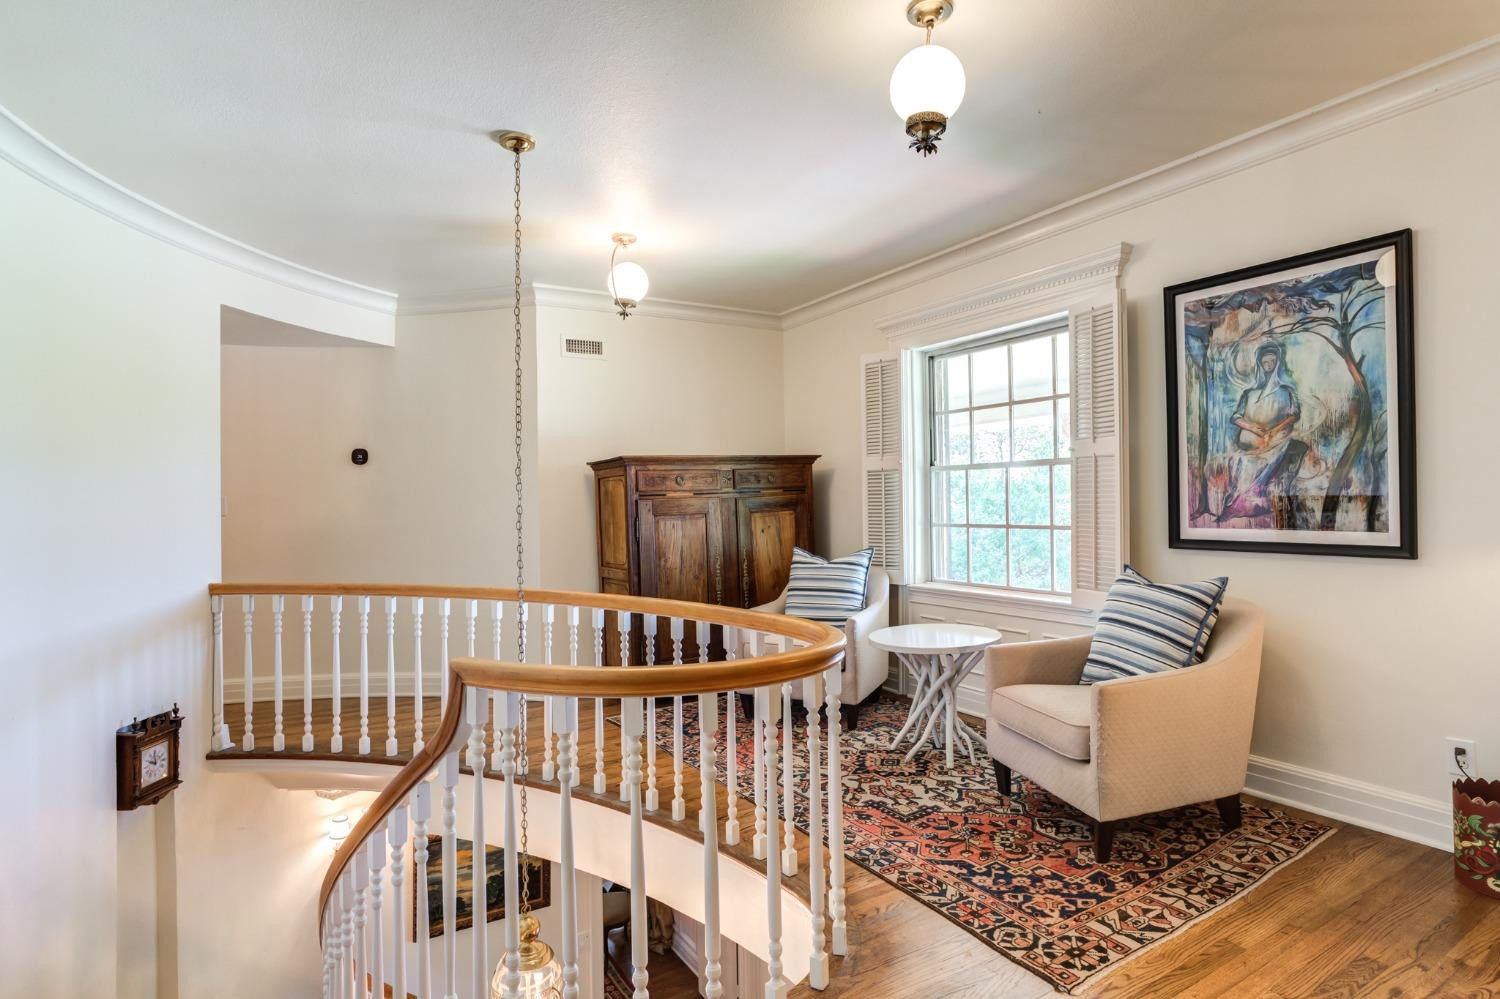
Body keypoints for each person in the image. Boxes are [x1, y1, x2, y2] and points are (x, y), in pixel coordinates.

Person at [1218, 341, 1308, 525]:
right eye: (1265, 363)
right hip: (1251, 442)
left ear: (1277, 363)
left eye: (1272, 362)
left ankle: (1251, 503)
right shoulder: (1249, 393)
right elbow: (1235, 416)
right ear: (1260, 365)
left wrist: (1273, 431)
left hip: (1277, 440)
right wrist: (1251, 427)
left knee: (1263, 461)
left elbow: (1294, 415)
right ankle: (1238, 502)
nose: (1268, 366)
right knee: (1240, 461)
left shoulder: (1287, 391)